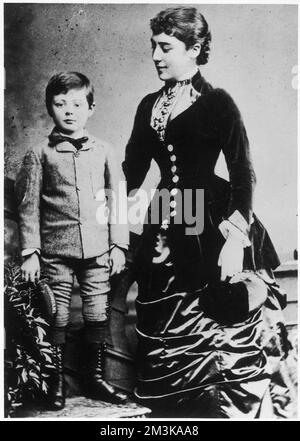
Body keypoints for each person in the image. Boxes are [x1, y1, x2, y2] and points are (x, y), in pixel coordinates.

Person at [123, 7, 290, 418]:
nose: (156, 56)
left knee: (213, 308)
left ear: (194, 49)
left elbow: (242, 171)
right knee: (162, 303)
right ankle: (177, 406)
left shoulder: (217, 102)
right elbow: (133, 167)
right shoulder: (148, 105)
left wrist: (236, 237)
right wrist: (128, 204)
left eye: (166, 47)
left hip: (208, 214)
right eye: (153, 47)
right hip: (165, 214)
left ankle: (221, 405)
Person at [15, 72, 129, 409]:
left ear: (91, 108)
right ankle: (55, 384)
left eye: (77, 104)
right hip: (55, 252)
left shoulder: (105, 151)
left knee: (97, 313)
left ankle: (95, 379)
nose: (69, 111)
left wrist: (118, 245)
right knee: (57, 316)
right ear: (50, 108)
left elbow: (118, 201)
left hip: (98, 250)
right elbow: (28, 208)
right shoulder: (39, 154)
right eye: (60, 103)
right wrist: (31, 252)